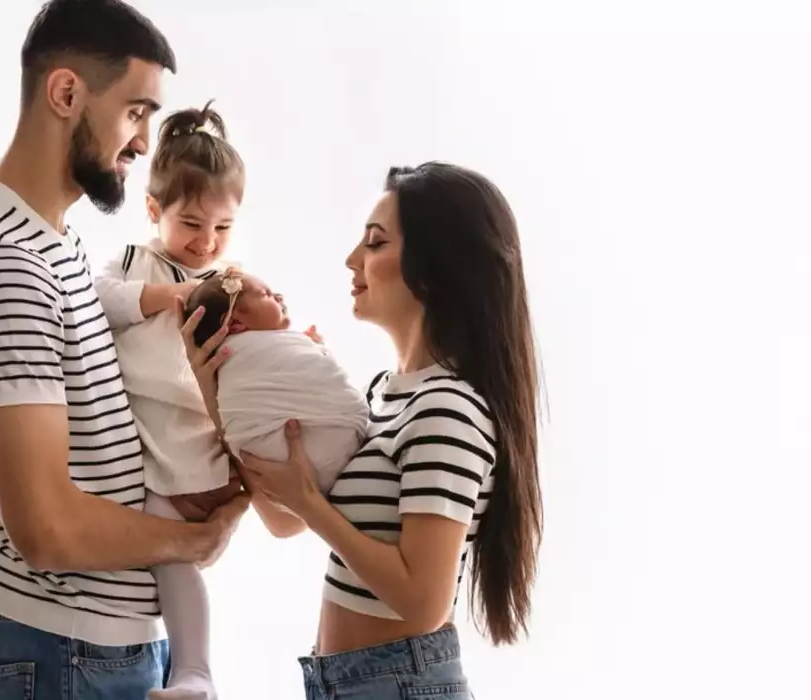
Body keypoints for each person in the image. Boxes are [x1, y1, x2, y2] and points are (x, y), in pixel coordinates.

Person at [0, 2, 249, 699]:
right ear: (67, 93)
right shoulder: (8, 267)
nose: (144, 143)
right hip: (64, 651)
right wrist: (193, 542)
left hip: (86, 649)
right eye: (136, 111)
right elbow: (45, 528)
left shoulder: (54, 243)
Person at [177, 162, 543, 699]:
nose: (352, 259)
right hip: (348, 683)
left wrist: (315, 508)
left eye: (375, 243)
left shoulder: (447, 409)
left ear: (436, 266)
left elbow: (422, 603)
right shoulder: (387, 395)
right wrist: (215, 391)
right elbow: (284, 517)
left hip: (399, 686)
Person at [91, 101, 248, 700]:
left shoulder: (227, 281)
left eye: (223, 228)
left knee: (173, 553)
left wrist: (288, 332)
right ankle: (193, 673)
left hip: (201, 443)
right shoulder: (136, 264)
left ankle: (195, 671)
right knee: (169, 556)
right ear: (154, 210)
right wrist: (161, 297)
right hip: (153, 454)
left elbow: (260, 337)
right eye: (191, 224)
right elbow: (96, 299)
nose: (207, 243)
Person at [183, 268, 369, 493]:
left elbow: (302, 373)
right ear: (233, 322)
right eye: (267, 294)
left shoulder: (259, 351)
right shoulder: (237, 358)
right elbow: (315, 369)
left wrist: (309, 347)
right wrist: (314, 349)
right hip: (298, 456)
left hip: (292, 472)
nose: (279, 296)